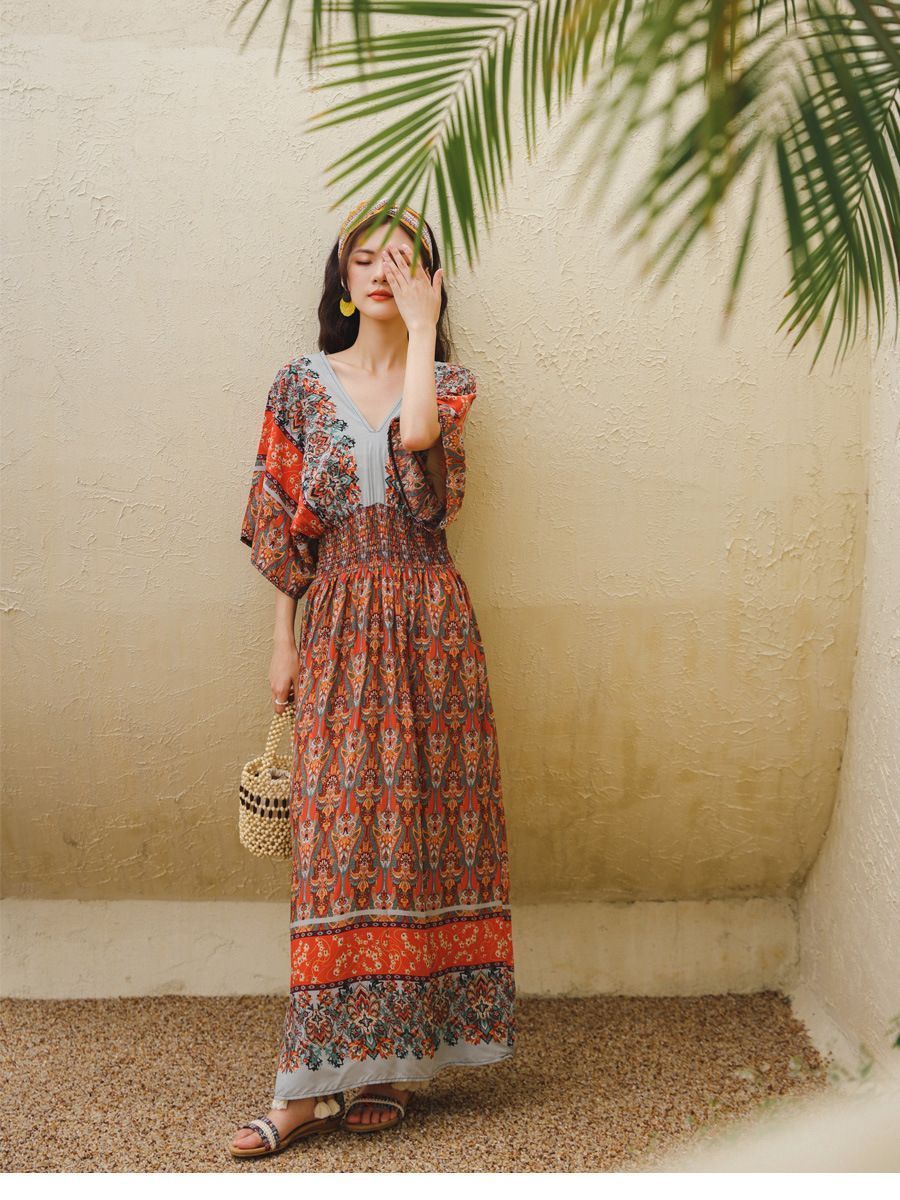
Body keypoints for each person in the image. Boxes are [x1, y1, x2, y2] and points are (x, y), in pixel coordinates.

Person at [230, 200, 516, 1157]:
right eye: (364, 257)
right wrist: (283, 640)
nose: (380, 271)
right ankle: (304, 1088)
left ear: (426, 279)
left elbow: (423, 454)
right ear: (341, 277)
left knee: (415, 844)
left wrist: (425, 333)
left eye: (400, 258)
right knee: (339, 848)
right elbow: (279, 522)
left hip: (432, 624)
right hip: (342, 621)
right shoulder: (300, 384)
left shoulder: (448, 382)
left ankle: (386, 1069)